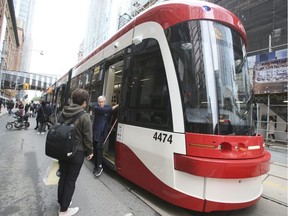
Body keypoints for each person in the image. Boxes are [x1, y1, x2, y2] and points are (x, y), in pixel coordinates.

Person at [57, 88, 93, 216]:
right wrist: (90, 151)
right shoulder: (84, 116)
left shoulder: (63, 112)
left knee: (63, 177)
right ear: (84, 102)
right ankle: (64, 210)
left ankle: (62, 201)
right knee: (70, 180)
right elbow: (88, 136)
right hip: (77, 152)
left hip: (62, 150)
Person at [92, 95, 118, 177]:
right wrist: (117, 105)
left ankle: (99, 166)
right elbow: (106, 110)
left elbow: (113, 111)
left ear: (105, 101)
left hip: (103, 133)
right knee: (96, 148)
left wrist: (117, 107)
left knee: (99, 147)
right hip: (96, 132)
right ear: (97, 102)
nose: (101, 103)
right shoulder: (96, 108)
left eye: (102, 102)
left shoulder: (107, 107)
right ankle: (96, 166)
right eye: (100, 102)